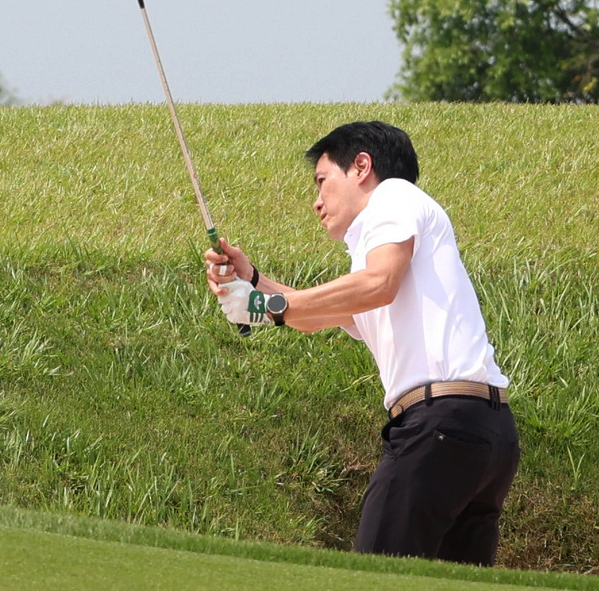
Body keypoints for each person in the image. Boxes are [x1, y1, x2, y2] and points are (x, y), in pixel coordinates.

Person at [204, 119, 519, 566]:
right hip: (486, 432)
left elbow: (379, 283)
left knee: (373, 582)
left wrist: (263, 306)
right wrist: (252, 282)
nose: (316, 202)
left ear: (362, 167)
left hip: (441, 427)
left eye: (322, 181)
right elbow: (322, 314)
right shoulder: (386, 238)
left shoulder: (392, 197)